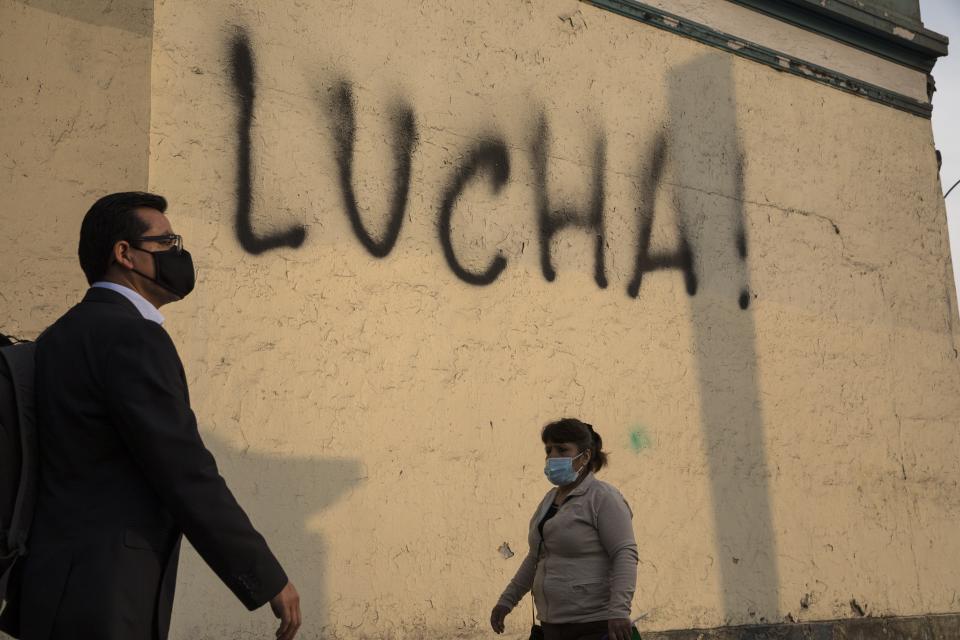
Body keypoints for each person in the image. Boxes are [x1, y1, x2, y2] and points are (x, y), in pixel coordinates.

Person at [0, 192, 301, 640]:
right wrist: (265, 576)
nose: (180, 255)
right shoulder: (132, 338)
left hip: (53, 584)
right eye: (167, 243)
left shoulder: (62, 334)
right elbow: (184, 470)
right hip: (106, 592)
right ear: (125, 254)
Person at [490, 418, 639, 640]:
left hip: (594, 626)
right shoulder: (549, 500)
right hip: (551, 626)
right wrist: (506, 601)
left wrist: (619, 610)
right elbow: (535, 557)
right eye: (548, 450)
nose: (552, 457)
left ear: (585, 456)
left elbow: (624, 554)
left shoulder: (603, 498)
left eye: (562, 449)